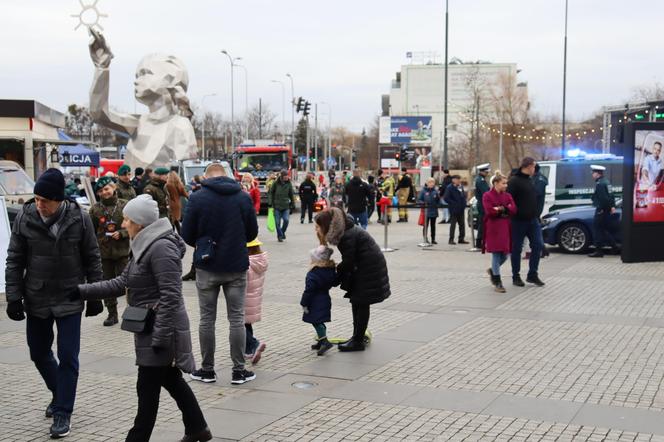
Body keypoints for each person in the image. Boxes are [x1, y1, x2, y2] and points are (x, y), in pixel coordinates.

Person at [76, 195, 212, 442]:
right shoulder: (143, 244)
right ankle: (197, 428)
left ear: (140, 222)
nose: (123, 223)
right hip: (152, 328)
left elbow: (171, 296)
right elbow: (122, 283)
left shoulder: (160, 248)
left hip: (161, 329)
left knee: (147, 391)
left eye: (127, 219)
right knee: (171, 380)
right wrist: (81, 291)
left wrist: (160, 337)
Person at [5, 168, 103, 438]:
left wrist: (94, 296)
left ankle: (62, 413)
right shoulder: (25, 217)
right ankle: (60, 392)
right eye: (36, 199)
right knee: (38, 352)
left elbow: (92, 257)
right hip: (36, 296)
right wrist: (13, 297)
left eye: (45, 201)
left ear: (59, 199)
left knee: (69, 357)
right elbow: (15, 259)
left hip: (70, 296)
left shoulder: (80, 219)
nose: (40, 205)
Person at [181, 163, 259, 385]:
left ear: (205, 176)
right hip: (236, 266)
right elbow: (252, 232)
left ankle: (207, 370)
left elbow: (187, 234)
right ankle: (239, 371)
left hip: (207, 267)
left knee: (207, 319)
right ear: (226, 176)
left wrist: (203, 242)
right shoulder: (242, 197)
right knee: (236, 318)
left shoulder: (197, 197)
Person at [88, 29, 197, 170]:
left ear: (171, 80)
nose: (137, 81)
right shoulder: (139, 123)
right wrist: (102, 67)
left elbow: (186, 172)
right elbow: (99, 114)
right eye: (137, 76)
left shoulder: (180, 127)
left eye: (145, 73)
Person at [314, 208, 390, 352]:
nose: (317, 229)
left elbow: (348, 262)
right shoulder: (345, 229)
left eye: (318, 226)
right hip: (364, 268)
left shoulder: (346, 235)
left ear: (328, 224)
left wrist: (335, 275)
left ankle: (358, 341)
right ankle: (357, 337)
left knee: (361, 302)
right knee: (357, 302)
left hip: (368, 270)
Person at [89, 176, 130, 326]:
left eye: (106, 189)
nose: (104, 192)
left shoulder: (125, 206)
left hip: (122, 252)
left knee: (127, 283)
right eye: (100, 191)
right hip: (104, 253)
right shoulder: (95, 209)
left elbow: (133, 225)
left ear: (114, 188)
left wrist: (123, 233)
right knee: (107, 284)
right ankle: (112, 314)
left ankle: (131, 311)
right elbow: (91, 231)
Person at [507, 157, 545, 287]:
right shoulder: (514, 181)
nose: (535, 169)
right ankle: (515, 276)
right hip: (518, 221)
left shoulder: (530, 180)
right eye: (534, 166)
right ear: (528, 166)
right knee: (517, 248)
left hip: (532, 220)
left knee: (538, 245)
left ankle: (532, 274)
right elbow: (508, 201)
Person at [482, 172, 517, 293]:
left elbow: (513, 209)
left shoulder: (507, 195)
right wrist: (504, 208)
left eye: (506, 183)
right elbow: (490, 211)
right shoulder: (487, 195)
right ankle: (497, 281)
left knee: (505, 254)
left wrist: (500, 208)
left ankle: (493, 270)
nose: (506, 185)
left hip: (505, 228)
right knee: (496, 254)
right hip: (494, 228)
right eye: (503, 183)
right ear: (496, 183)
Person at [300, 245, 338, 356]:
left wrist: (304, 302)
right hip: (325, 298)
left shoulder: (313, 273)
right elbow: (335, 282)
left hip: (315, 301)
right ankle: (321, 340)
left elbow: (309, 290)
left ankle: (325, 341)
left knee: (316, 322)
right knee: (318, 320)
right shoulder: (329, 270)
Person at [244, 238, 268, 364]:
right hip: (255, 299)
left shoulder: (247, 264)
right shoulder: (260, 261)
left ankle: (255, 344)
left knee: (239, 324)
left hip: (244, 299)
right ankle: (248, 350)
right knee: (247, 324)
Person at [588, 165, 618, 258]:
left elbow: (604, 198)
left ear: (598, 173)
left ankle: (599, 251)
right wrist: (612, 206)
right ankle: (614, 246)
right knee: (603, 229)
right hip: (605, 209)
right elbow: (611, 195)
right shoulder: (606, 181)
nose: (592, 174)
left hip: (601, 209)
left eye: (593, 173)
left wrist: (601, 209)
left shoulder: (600, 184)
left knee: (597, 229)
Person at [267, 170, 295, 242]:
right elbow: (271, 193)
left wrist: (293, 204)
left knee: (286, 220)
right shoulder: (275, 183)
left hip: (286, 206)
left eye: (287, 176)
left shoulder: (289, 184)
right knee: (277, 222)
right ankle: (279, 236)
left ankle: (282, 232)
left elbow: (291, 194)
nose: (287, 177)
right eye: (285, 176)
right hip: (276, 206)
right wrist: (270, 202)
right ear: (282, 177)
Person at [443, 175, 468, 245]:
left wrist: (464, 203)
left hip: (461, 209)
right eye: (457, 179)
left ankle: (461, 239)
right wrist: (453, 203)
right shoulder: (449, 187)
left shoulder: (460, 186)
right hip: (454, 209)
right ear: (453, 180)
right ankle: (451, 239)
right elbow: (446, 198)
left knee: (462, 224)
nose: (459, 180)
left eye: (459, 179)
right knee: (453, 225)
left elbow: (463, 196)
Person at [417, 178, 440, 244]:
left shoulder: (435, 191)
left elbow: (438, 200)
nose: (431, 184)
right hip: (426, 211)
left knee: (433, 226)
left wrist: (438, 204)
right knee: (426, 226)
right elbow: (419, 200)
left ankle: (433, 239)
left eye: (433, 182)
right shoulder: (423, 191)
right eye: (430, 182)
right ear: (427, 183)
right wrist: (423, 203)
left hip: (434, 211)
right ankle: (425, 238)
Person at [474, 164, 491, 248]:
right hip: (483, 204)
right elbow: (486, 193)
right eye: (486, 172)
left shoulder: (480, 179)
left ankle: (480, 241)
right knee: (483, 224)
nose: (487, 173)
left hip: (481, 203)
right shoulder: (481, 181)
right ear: (482, 172)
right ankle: (479, 242)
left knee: (483, 223)